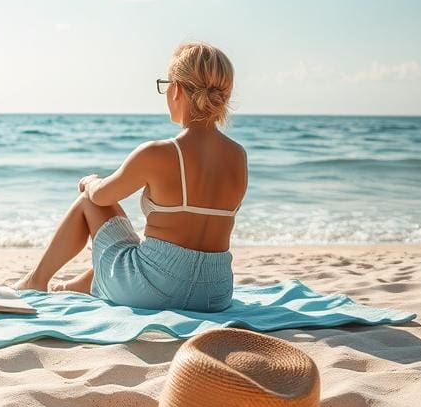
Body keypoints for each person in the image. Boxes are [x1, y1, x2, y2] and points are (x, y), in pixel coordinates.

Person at [15, 42, 247, 311]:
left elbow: (101, 196)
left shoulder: (158, 152)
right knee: (136, 250)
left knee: (89, 204)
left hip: (156, 289)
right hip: (214, 293)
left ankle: (36, 280)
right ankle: (75, 286)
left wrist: (90, 182)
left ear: (177, 90)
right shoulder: (238, 156)